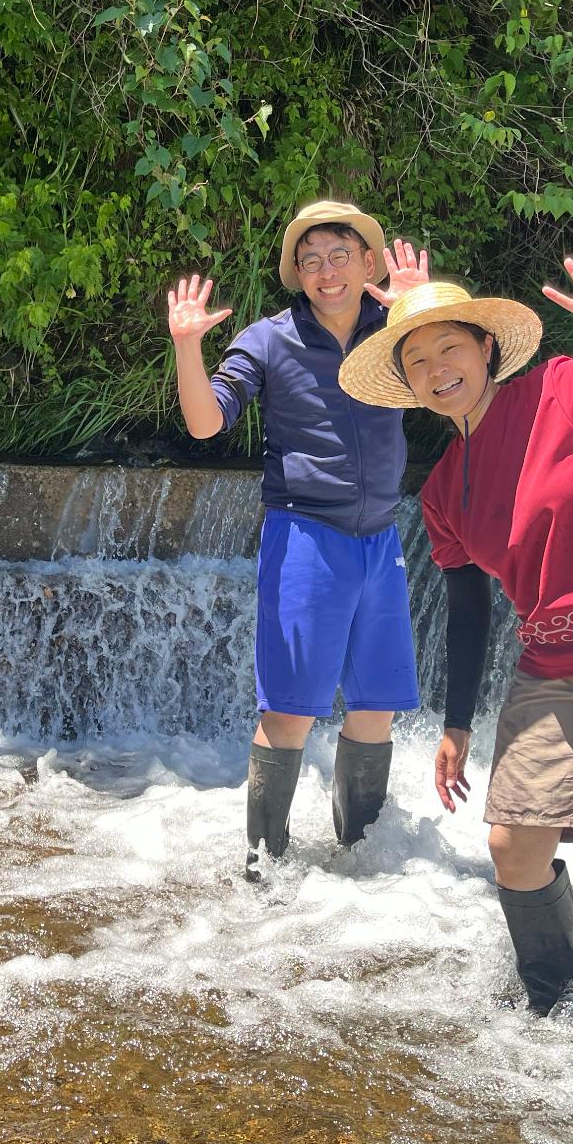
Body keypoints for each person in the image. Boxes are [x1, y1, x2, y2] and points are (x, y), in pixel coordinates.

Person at [338, 261, 573, 1100]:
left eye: (449, 348)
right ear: (406, 384)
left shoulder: (561, 389)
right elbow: (469, 606)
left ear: (485, 346)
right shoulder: (442, 489)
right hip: (554, 659)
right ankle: (559, 1001)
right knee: (514, 844)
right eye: (417, 363)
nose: (438, 370)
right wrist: (457, 722)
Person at [167, 200, 431, 879]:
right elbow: (205, 424)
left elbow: (449, 388)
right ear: (297, 275)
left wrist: (416, 315)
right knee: (288, 714)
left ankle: (362, 857)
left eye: (340, 255)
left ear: (368, 262)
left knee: (375, 709)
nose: (326, 272)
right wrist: (187, 345)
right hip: (306, 537)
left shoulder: (393, 328)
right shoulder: (269, 339)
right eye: (310, 261)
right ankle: (263, 867)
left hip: (380, 539)